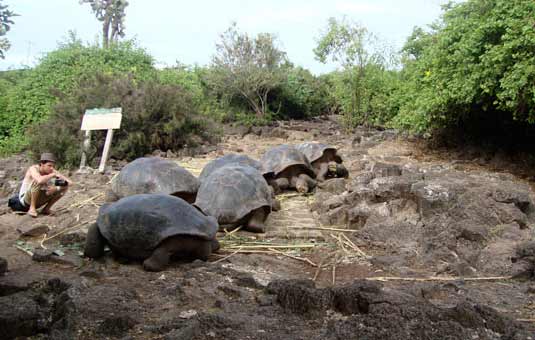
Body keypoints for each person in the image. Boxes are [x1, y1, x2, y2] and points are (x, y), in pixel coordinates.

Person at [18, 152, 73, 218]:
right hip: (26, 200)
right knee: (38, 181)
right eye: (49, 165)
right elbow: (39, 180)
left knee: (64, 186)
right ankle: (32, 208)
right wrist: (52, 175)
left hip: (40, 198)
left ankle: (46, 209)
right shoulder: (33, 169)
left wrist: (56, 188)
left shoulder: (51, 170)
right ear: (42, 164)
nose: (52, 168)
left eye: (53, 166)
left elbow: (70, 183)